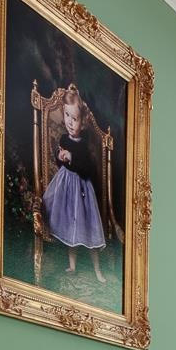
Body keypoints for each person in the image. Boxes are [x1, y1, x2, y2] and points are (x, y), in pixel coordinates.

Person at [41, 86, 111, 279]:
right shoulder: (64, 138)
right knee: (70, 227)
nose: (70, 122)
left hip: (82, 191)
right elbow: (59, 162)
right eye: (67, 116)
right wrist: (60, 156)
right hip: (65, 187)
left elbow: (88, 168)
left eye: (75, 118)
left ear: (83, 122)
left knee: (88, 227)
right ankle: (72, 266)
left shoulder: (86, 143)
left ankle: (97, 269)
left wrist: (72, 157)